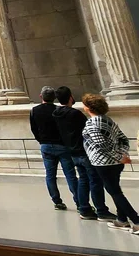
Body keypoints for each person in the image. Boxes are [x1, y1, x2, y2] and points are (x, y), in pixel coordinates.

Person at [53, 86, 116, 221]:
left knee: (83, 180)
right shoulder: (75, 114)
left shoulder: (56, 114)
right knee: (95, 180)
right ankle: (101, 210)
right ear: (70, 97)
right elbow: (87, 130)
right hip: (85, 151)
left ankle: (84, 209)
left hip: (72, 151)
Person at [81, 94, 139, 234]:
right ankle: (121, 220)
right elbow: (124, 139)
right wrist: (123, 155)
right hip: (115, 163)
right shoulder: (108, 120)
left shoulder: (91, 124)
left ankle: (136, 221)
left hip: (103, 163)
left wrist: (119, 157)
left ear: (88, 108)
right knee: (115, 189)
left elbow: (102, 146)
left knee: (115, 192)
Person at [30, 86, 79, 210]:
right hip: (62, 145)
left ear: (41, 96)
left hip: (46, 145)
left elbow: (34, 129)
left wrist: (41, 140)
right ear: (54, 98)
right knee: (70, 175)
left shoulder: (34, 111)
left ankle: (57, 201)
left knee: (50, 175)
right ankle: (79, 202)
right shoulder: (59, 110)